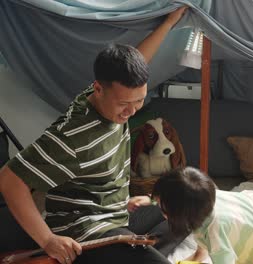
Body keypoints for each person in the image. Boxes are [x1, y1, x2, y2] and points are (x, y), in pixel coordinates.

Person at [0, 7, 187, 264]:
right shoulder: (72, 137)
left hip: (117, 213)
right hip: (85, 229)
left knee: (185, 213)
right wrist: (48, 240)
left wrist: (169, 21)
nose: (131, 111)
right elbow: (10, 179)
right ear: (99, 89)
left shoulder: (108, 91)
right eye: (124, 104)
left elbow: (139, 59)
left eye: (139, 101)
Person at [150, 166, 253, 264]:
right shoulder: (203, 196)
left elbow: (223, 256)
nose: (158, 207)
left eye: (162, 206)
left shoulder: (216, 235)